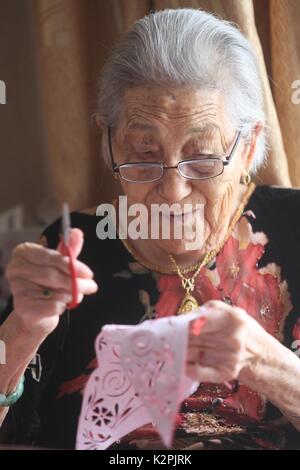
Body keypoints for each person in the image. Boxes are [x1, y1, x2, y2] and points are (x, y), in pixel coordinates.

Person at [0, 8, 299, 450]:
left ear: (248, 144)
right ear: (109, 144)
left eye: (202, 158)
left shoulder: (294, 229)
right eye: (143, 154)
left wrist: (267, 364)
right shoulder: (73, 246)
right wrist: (24, 327)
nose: (173, 190)